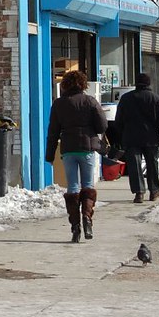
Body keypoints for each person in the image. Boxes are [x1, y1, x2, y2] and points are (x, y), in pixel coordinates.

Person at [45, 70, 108, 243]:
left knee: (72, 187)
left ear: (65, 84)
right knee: (87, 185)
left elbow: (52, 132)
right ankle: (87, 217)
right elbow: (102, 126)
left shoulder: (59, 104)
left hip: (68, 149)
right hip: (86, 148)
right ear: (83, 84)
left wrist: (50, 154)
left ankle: (75, 227)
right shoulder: (90, 101)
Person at [114, 72, 159, 204]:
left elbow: (119, 120)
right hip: (151, 139)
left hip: (131, 138)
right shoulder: (156, 99)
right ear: (148, 83)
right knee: (152, 165)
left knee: (135, 166)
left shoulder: (126, 99)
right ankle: (154, 191)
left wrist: (120, 137)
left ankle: (139, 193)